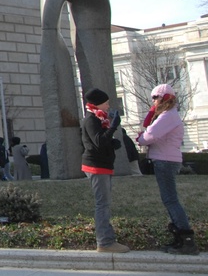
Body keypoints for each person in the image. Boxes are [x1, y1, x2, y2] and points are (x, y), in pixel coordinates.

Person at [136, 83, 198, 255]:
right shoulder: (169, 115)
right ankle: (181, 237)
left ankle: (186, 239)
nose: (153, 101)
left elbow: (149, 135)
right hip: (165, 158)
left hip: (165, 159)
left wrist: (141, 138)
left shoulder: (168, 116)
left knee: (170, 200)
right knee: (170, 199)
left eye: (155, 97)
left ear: (164, 98)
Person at [81, 87, 128, 253]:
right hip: (96, 166)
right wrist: (113, 127)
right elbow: (98, 141)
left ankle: (107, 239)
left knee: (105, 204)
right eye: (106, 102)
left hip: (103, 165)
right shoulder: (91, 119)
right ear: (99, 103)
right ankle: (105, 242)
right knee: (102, 204)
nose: (108, 106)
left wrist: (112, 143)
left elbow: (101, 142)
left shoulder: (98, 119)